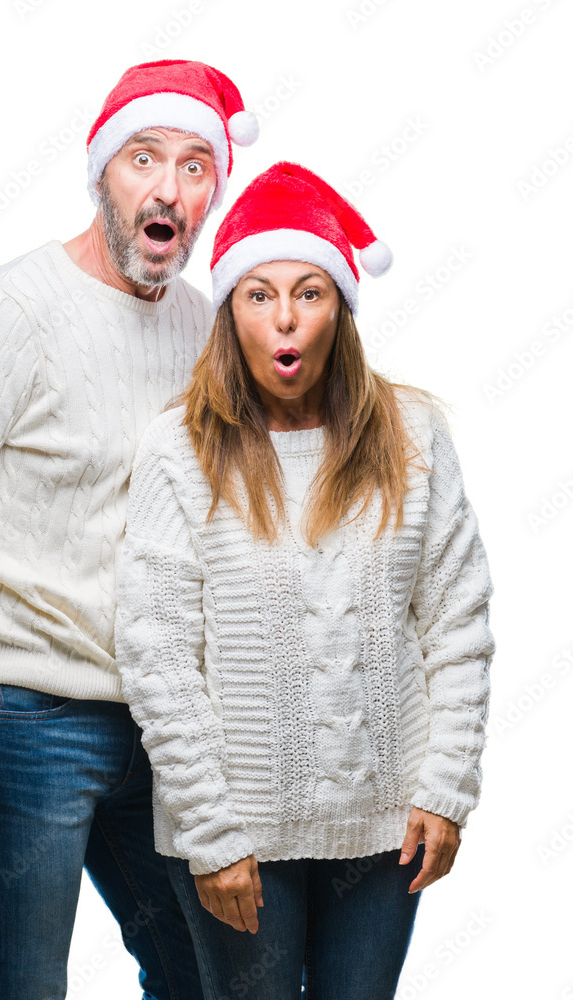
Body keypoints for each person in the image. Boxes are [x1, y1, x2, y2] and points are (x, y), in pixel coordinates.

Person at [0, 59, 259, 1000]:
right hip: (20, 721)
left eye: (197, 166)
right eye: (145, 159)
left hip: (158, 726)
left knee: (211, 980)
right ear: (102, 174)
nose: (169, 188)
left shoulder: (206, 332)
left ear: (215, 192)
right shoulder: (14, 312)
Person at [113, 161, 496, 999]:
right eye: (258, 294)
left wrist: (447, 787)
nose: (284, 317)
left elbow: (457, 622)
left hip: (387, 824)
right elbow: (159, 656)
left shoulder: (415, 437)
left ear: (343, 310)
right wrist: (212, 833)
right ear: (229, 311)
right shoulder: (178, 450)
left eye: (310, 292)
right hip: (240, 828)